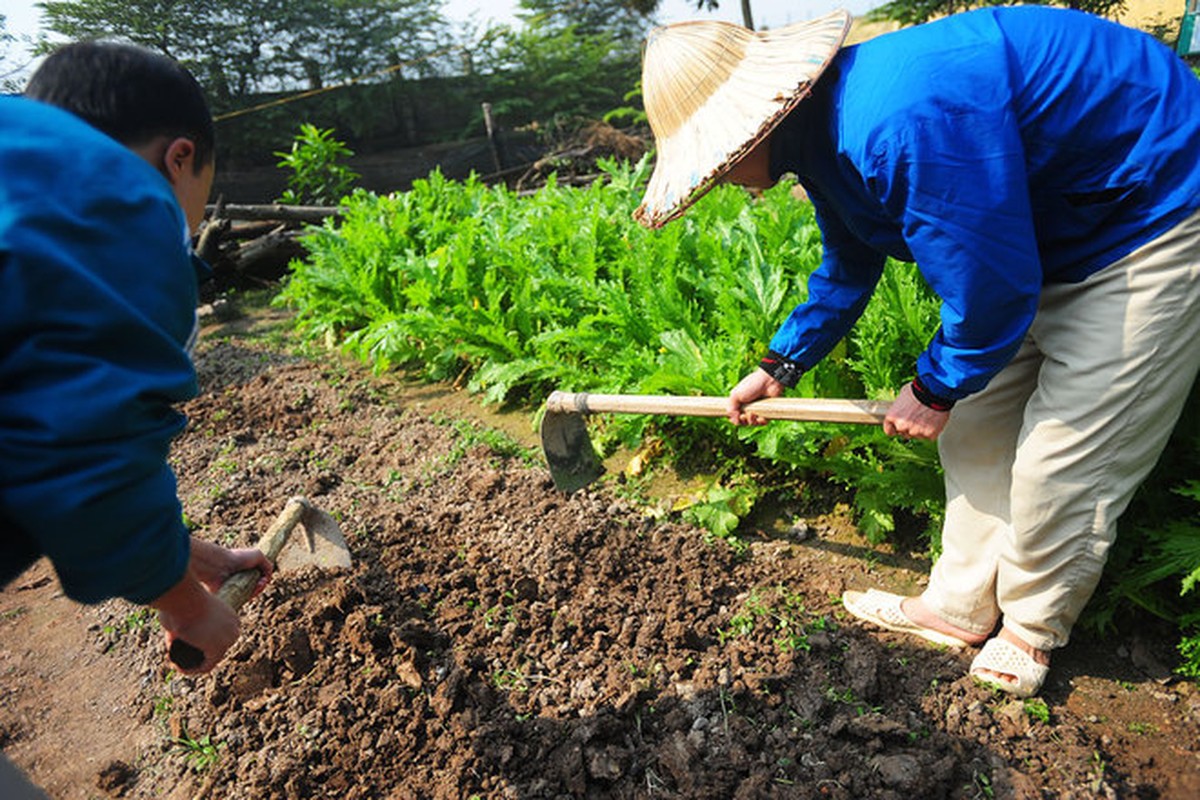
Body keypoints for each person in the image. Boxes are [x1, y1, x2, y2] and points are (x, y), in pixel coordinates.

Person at [633, 6, 1200, 697]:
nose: (719, 178)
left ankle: (1030, 630)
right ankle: (959, 607)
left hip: (1156, 209)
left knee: (1069, 450)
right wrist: (780, 365)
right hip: (1051, 229)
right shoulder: (823, 135)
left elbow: (989, 278)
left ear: (757, 121)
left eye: (715, 161)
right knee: (979, 426)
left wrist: (934, 388)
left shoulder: (894, 118)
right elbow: (850, 258)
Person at [1, 41, 273, 681]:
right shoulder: (116, 204)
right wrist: (185, 605)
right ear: (180, 160)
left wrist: (182, 555)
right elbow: (82, 452)